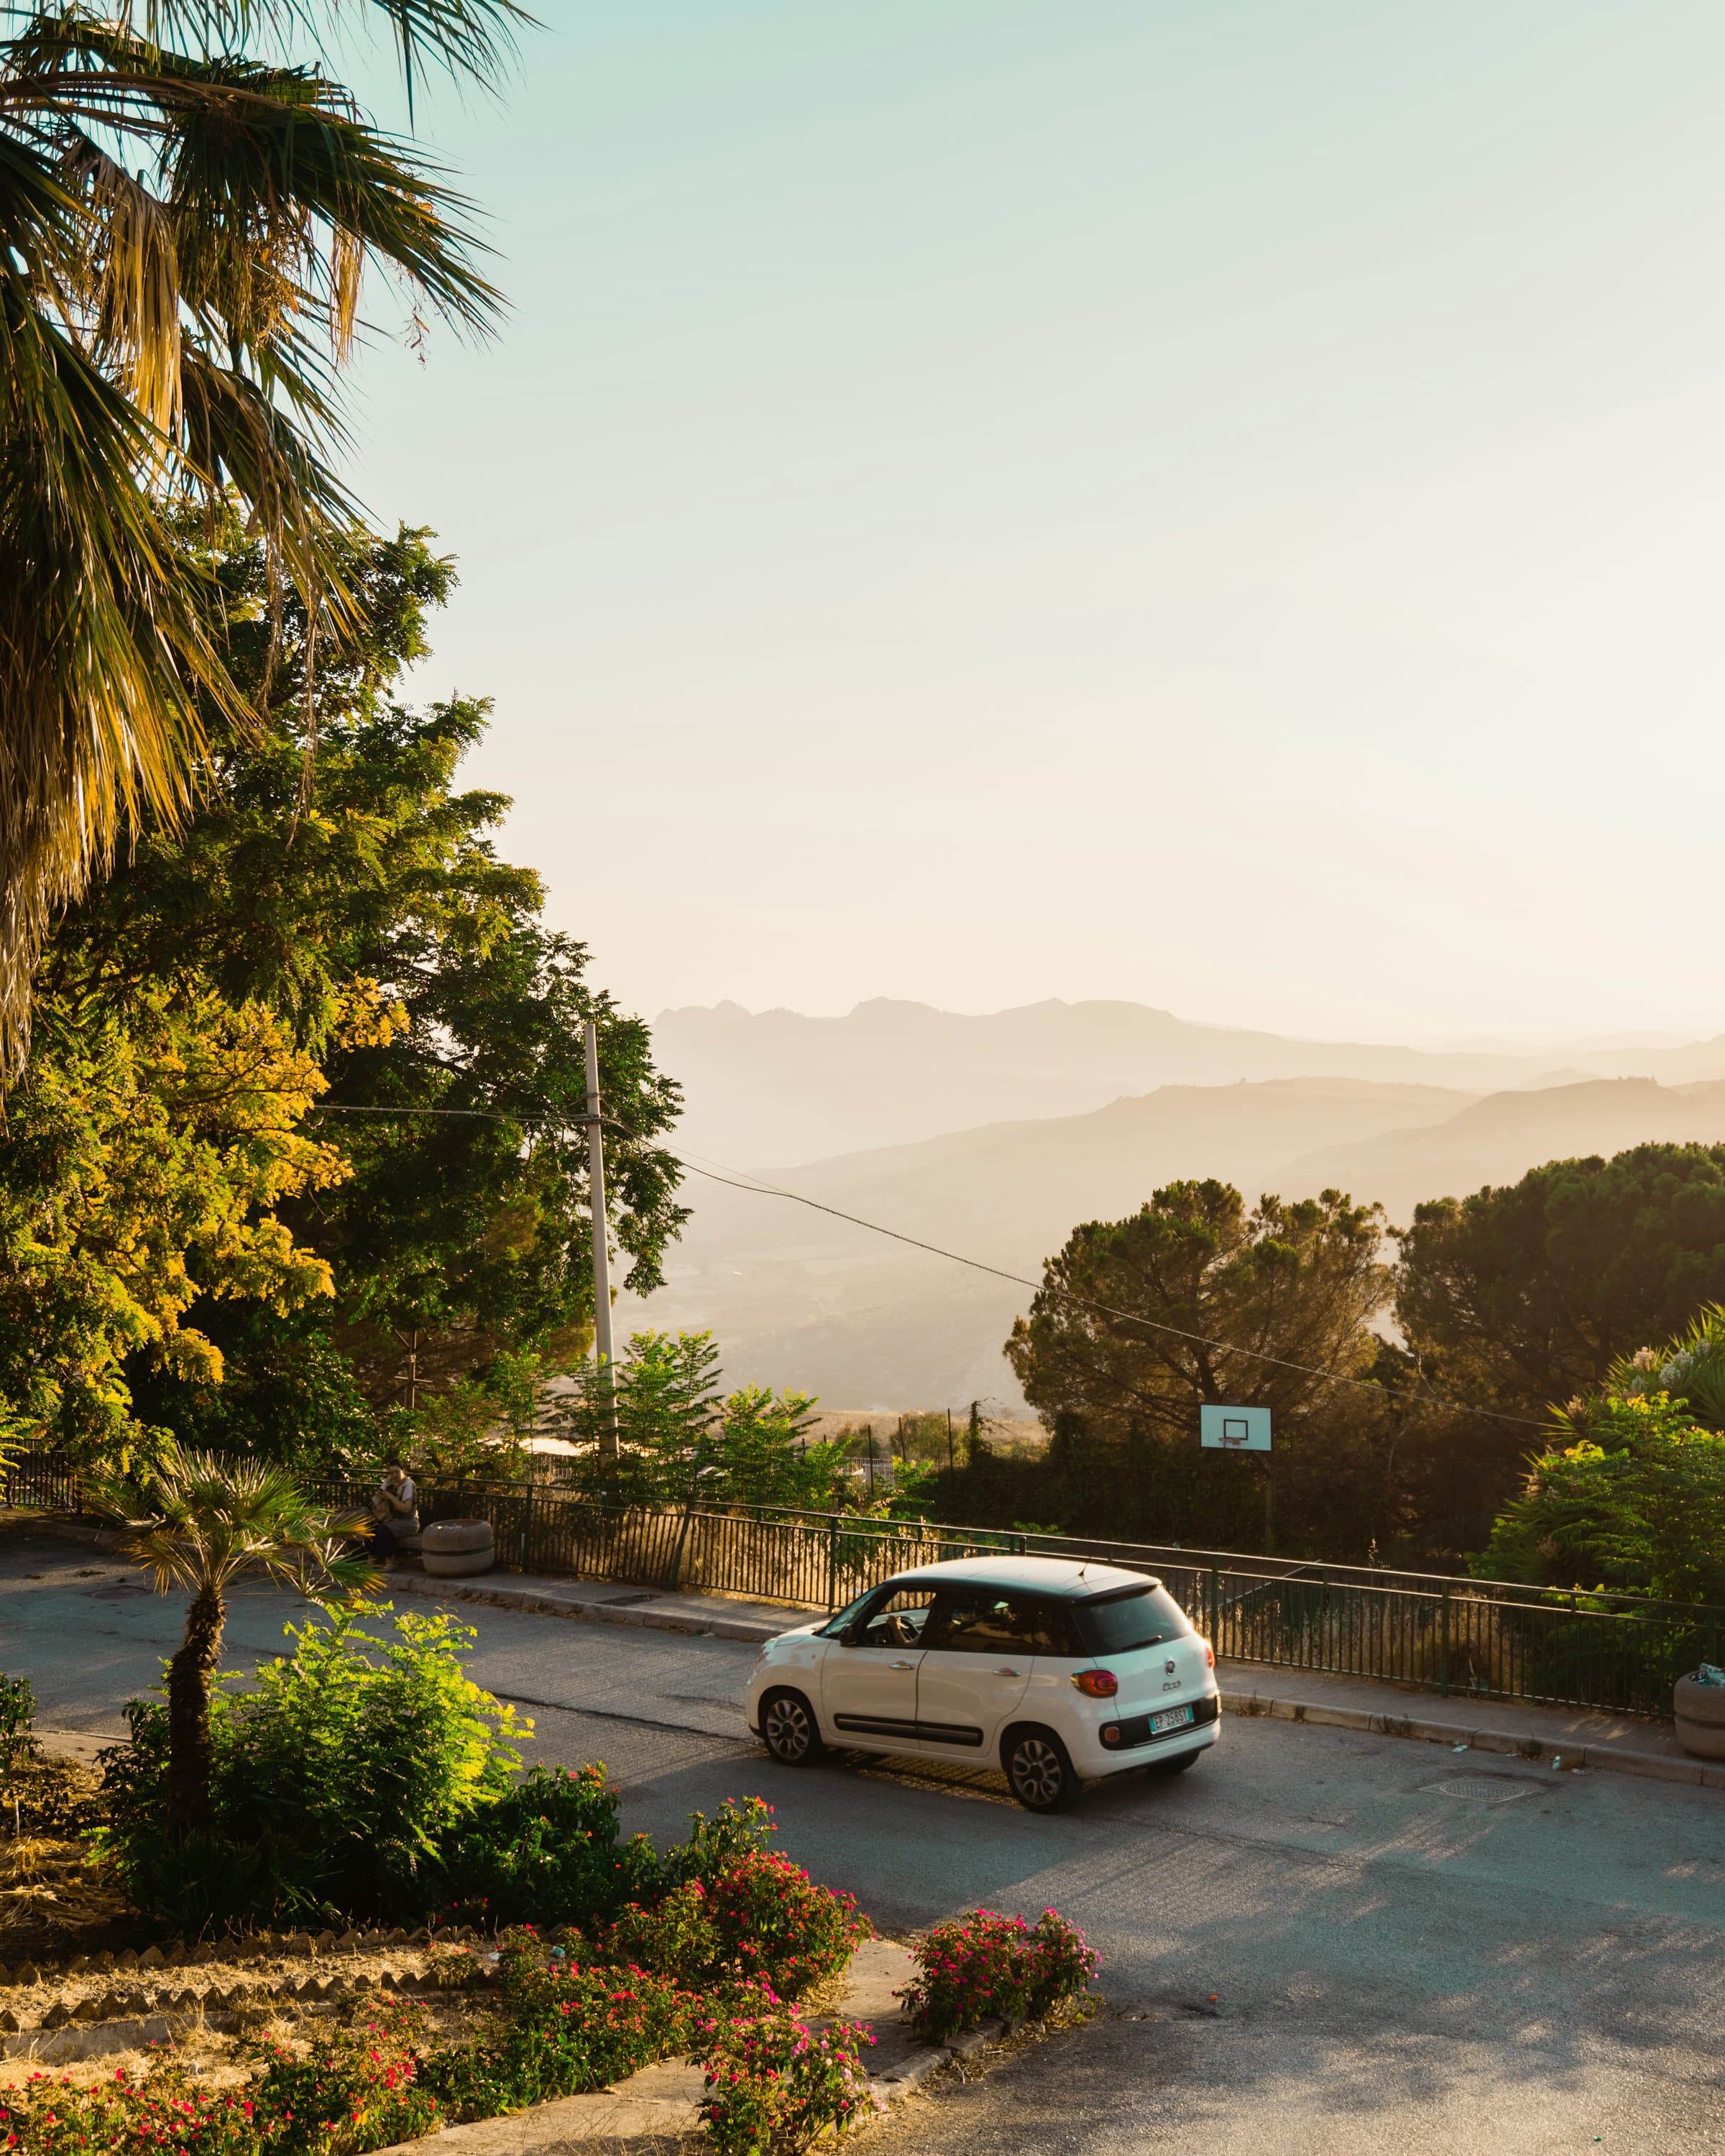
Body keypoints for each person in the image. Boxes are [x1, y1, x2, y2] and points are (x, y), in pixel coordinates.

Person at [369, 1460, 420, 1565]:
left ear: (403, 1471)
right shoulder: (389, 1481)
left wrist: (390, 1497)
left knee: (385, 1530)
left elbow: (405, 1508)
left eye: (397, 1472)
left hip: (409, 1522)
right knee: (371, 1528)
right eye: (391, 1473)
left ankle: (390, 1562)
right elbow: (380, 1495)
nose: (394, 1475)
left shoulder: (408, 1484)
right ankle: (371, 1560)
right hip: (391, 1520)